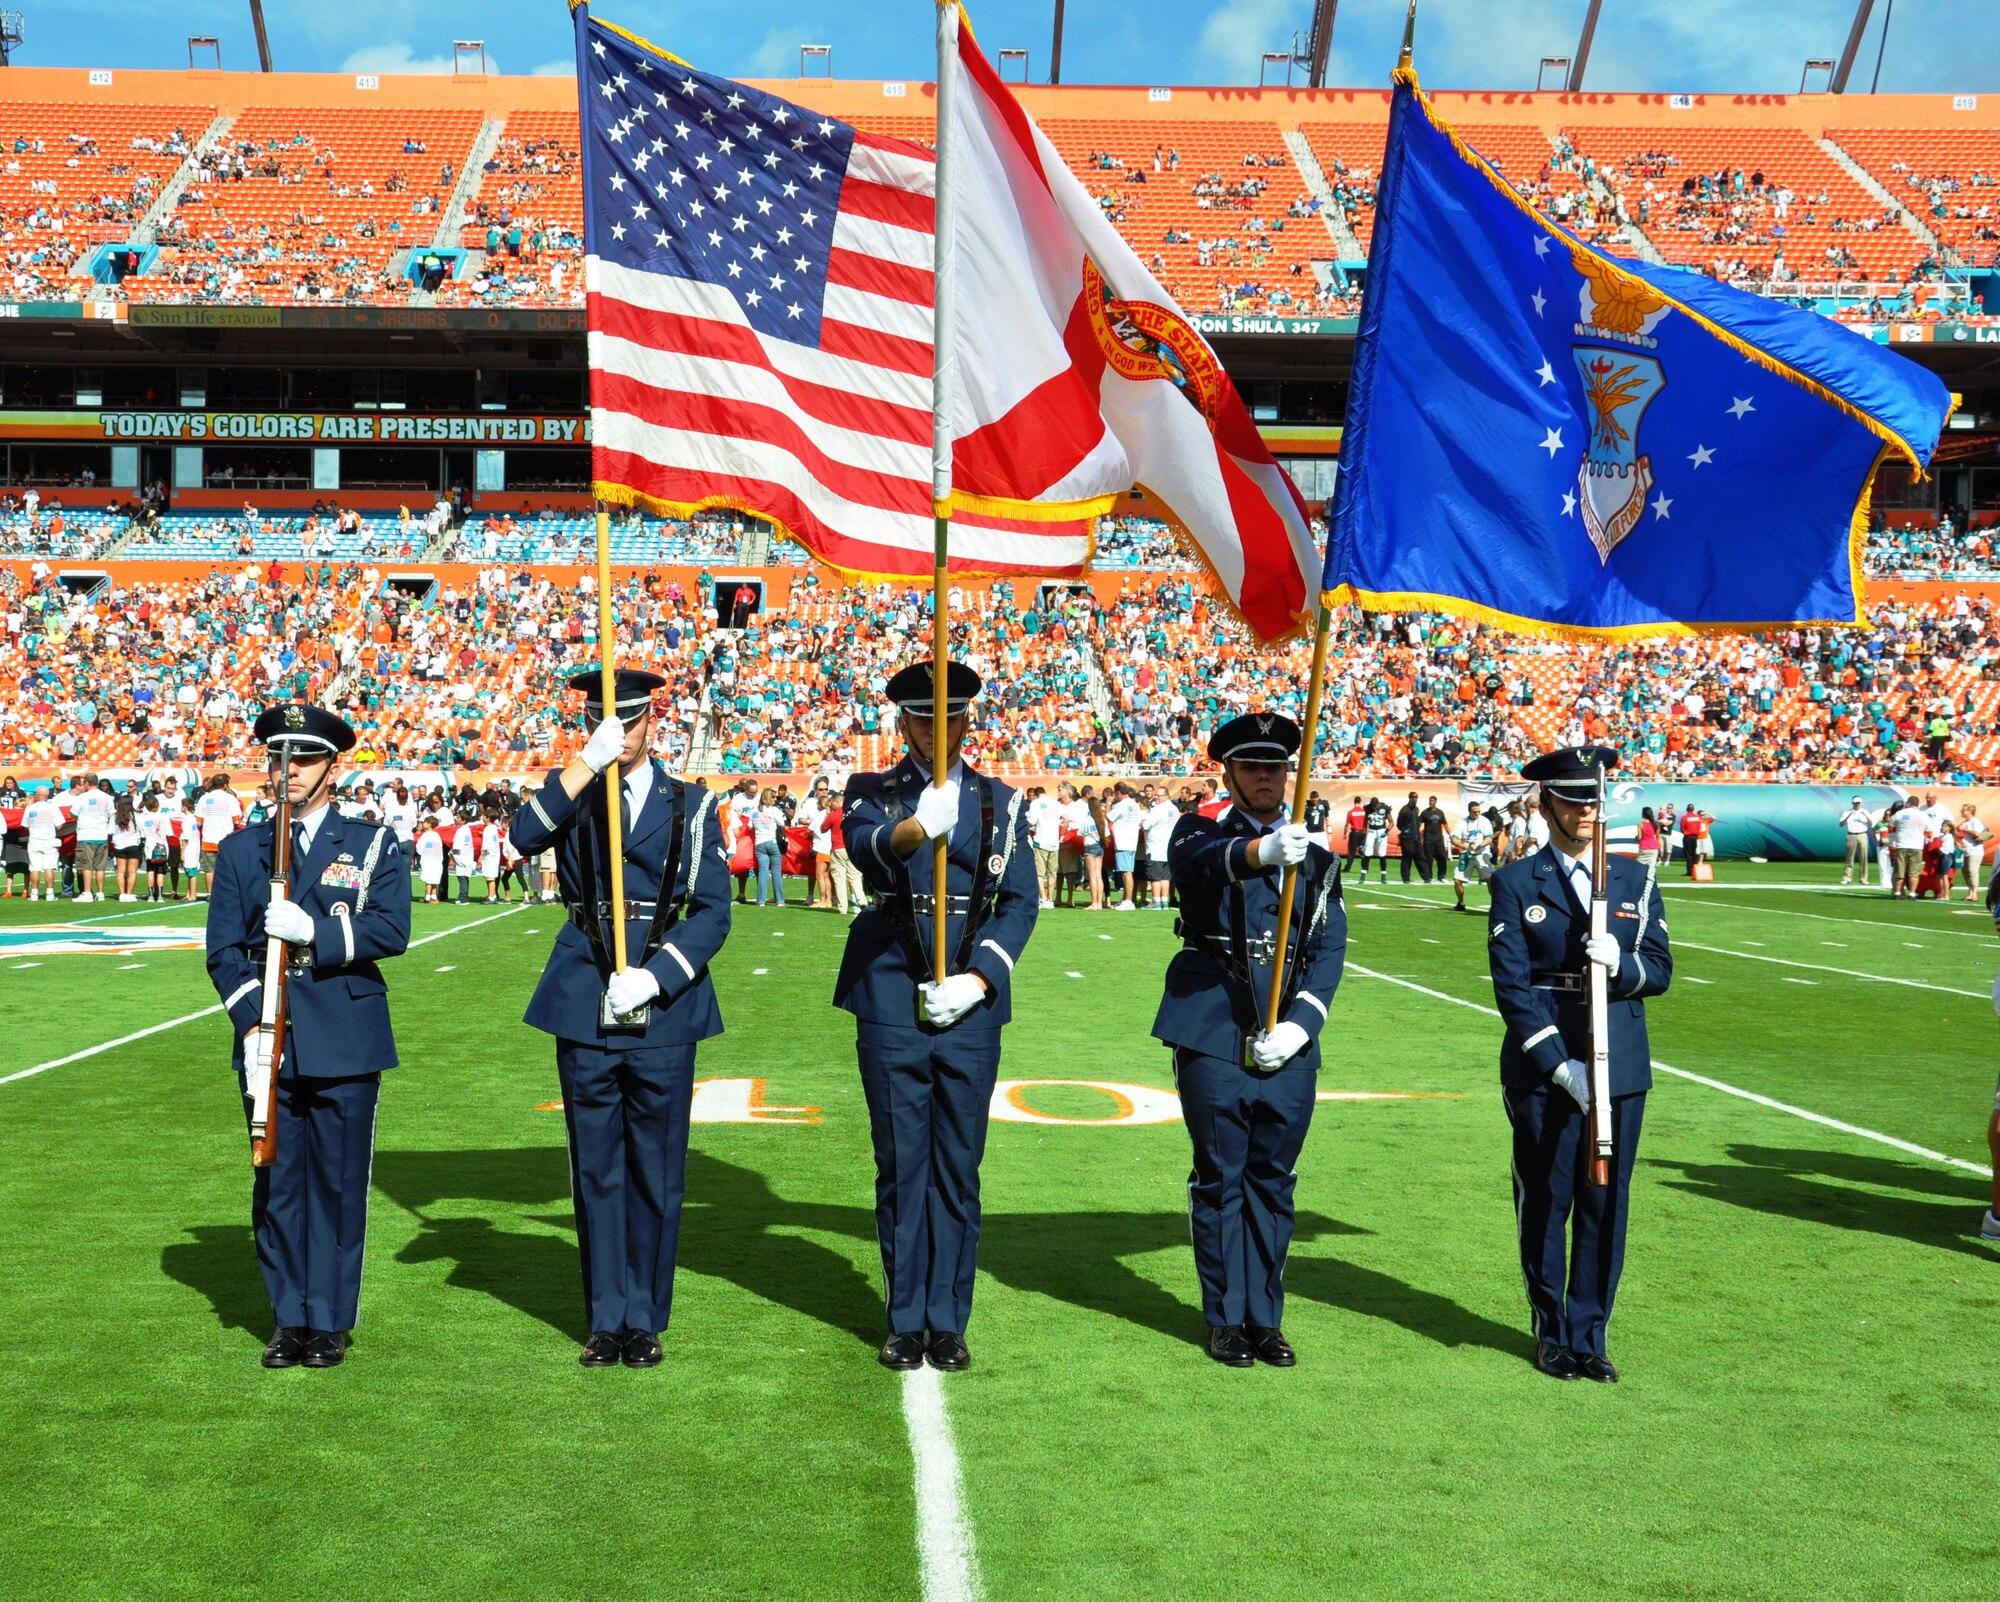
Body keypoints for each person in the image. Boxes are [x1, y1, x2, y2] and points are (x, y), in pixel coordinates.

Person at [510, 667, 734, 1369]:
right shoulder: (578, 790)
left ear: (652, 720)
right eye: (608, 721)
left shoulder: (689, 805)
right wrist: (584, 763)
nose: (622, 732)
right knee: (596, 1168)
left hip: (662, 998)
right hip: (585, 989)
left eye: (632, 721)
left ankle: (646, 1317)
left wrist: (659, 974)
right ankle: (605, 1317)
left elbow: (713, 910)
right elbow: (524, 835)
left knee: (657, 1171)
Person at [836, 661, 1038, 1373]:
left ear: (969, 721)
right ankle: (903, 1318)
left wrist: (981, 978)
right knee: (901, 1164)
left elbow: (1020, 901)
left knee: (957, 1165)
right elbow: (862, 848)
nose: (937, 728)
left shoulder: (1001, 803)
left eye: (950, 716)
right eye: (923, 717)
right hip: (890, 994)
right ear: (903, 724)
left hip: (972, 1007)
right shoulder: (874, 793)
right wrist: (917, 829)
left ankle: (947, 1321)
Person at [204, 704, 410, 1369]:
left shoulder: (372, 842)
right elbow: (221, 952)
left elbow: (391, 931)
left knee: (339, 1184)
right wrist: (255, 1023)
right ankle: (288, 1316)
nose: (287, 771)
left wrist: (317, 933)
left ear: (332, 767)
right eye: (276, 758)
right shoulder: (242, 849)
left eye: (305, 759)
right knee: (279, 1184)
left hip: (344, 1032)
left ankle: (329, 1321)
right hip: (269, 1038)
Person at [1153, 713, 1346, 1367]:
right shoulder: (1200, 830)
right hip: (1212, 1027)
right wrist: (1259, 855)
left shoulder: (1317, 861)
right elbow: (1197, 866)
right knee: (1220, 1177)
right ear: (1229, 773)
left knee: (1274, 1180)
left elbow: (1328, 950)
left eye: (1276, 767)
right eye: (1253, 766)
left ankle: (1265, 1317)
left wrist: (1300, 1026)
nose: (1267, 777)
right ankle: (1225, 1319)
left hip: (1287, 1041)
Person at [1486, 746, 1671, 1384]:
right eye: (1572, 799)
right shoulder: (1515, 882)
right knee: (1545, 1197)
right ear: (1546, 804)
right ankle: (1550, 1329)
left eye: (1593, 799)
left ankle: (1591, 1333)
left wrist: (1622, 963)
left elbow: (1661, 973)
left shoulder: (1636, 880)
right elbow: (1511, 987)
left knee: (1605, 1201)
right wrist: (1561, 1066)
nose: (1586, 811)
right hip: (1546, 1068)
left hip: (1619, 1064)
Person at [22, 784, 68, 901]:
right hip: (49, 840)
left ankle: (34, 894)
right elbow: (59, 825)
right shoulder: (52, 808)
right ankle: (50, 894)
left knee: (35, 868)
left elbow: (25, 826)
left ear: (37, 795)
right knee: (49, 867)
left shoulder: (29, 808)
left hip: (34, 841)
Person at [1142, 783, 1181, 909]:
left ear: (1166, 796)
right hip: (1168, 846)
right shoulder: (1174, 809)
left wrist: (1142, 822)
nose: (1156, 798)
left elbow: (1146, 825)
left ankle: (1156, 901)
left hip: (1155, 846)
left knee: (1155, 877)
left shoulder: (1158, 809)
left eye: (1158, 795)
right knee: (1165, 876)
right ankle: (1165, 901)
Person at [1452, 801, 1495, 912]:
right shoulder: (1462, 822)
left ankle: (1495, 905)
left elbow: (1489, 838)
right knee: (1457, 880)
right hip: (1467, 854)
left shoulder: (1485, 821)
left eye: (1479, 811)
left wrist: (1479, 845)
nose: (1477, 814)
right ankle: (1460, 903)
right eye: (1475, 812)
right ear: (1469, 811)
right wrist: (1462, 845)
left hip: (1482, 853)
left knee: (1490, 880)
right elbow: (1454, 838)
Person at [1837, 795, 1874, 885]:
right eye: (1855, 803)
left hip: (1862, 834)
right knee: (1849, 857)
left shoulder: (1865, 811)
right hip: (1851, 835)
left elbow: (1871, 823)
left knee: (1863, 857)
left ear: (1861, 803)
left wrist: (1865, 815)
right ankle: (1847, 877)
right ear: (1852, 803)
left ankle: (1863, 878)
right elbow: (1841, 824)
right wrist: (1848, 816)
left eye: (1858, 803)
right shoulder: (1847, 812)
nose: (1857, 805)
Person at [1958, 804, 1991, 903]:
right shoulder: (1965, 822)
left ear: (1970, 811)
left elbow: (1977, 833)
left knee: (1972, 871)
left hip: (1975, 850)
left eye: (1964, 810)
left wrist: (1965, 829)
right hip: (1966, 850)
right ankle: (1970, 893)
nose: (1961, 812)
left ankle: (1975, 894)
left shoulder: (1975, 821)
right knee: (1965, 871)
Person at [1417, 794, 1450, 885]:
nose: (1431, 802)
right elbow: (1419, 824)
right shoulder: (1425, 813)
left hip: (1439, 839)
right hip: (1428, 839)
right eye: (1430, 801)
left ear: (1435, 802)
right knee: (1428, 859)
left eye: (1433, 801)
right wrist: (1418, 834)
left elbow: (1445, 824)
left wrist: (1450, 834)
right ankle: (1429, 877)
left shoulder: (1440, 812)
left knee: (1442, 858)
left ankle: (1441, 876)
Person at [1361, 793, 1391, 884]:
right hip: (1371, 831)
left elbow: (1391, 822)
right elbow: (1365, 822)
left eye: (1375, 806)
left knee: (1382, 853)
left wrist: (1386, 832)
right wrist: (1364, 836)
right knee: (1367, 852)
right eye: (1372, 807)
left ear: (1378, 805)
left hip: (1381, 830)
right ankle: (1363, 876)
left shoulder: (1385, 807)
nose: (1373, 808)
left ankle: (1383, 876)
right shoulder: (1367, 808)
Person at [1395, 791, 1422, 883]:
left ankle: (1426, 877)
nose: (1415, 799)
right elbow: (1399, 823)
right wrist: (1405, 831)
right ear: (1410, 798)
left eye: (1416, 797)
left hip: (1416, 837)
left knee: (1420, 857)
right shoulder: (1404, 810)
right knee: (1407, 857)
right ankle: (1406, 877)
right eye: (1413, 797)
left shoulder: (1416, 809)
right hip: (1407, 838)